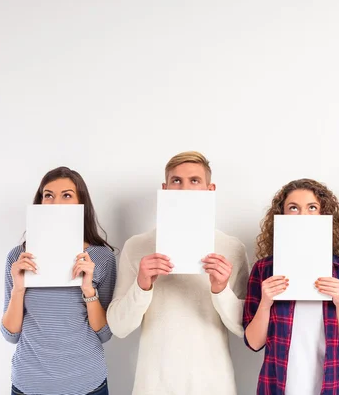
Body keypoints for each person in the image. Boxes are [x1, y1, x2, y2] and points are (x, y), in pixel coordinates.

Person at [106, 151, 249, 395]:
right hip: (153, 385)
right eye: (176, 181)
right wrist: (142, 286)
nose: (184, 188)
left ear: (209, 189)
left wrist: (220, 289)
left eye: (194, 181)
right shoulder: (137, 246)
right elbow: (118, 327)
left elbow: (245, 328)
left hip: (214, 385)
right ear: (165, 188)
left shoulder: (232, 248)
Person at [243, 178, 339, 395]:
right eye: (293, 208)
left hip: (329, 388)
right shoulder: (263, 270)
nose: (303, 215)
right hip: (275, 388)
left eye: (312, 207)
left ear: (324, 214)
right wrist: (265, 303)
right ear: (280, 215)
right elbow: (253, 343)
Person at [1, 166, 116, 395]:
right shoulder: (18, 258)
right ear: (40, 202)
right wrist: (19, 289)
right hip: (29, 384)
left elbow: (104, 333)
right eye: (48, 195)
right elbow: (10, 335)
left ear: (80, 204)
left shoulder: (101, 258)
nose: (55, 203)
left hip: (87, 385)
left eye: (67, 195)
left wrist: (88, 289)